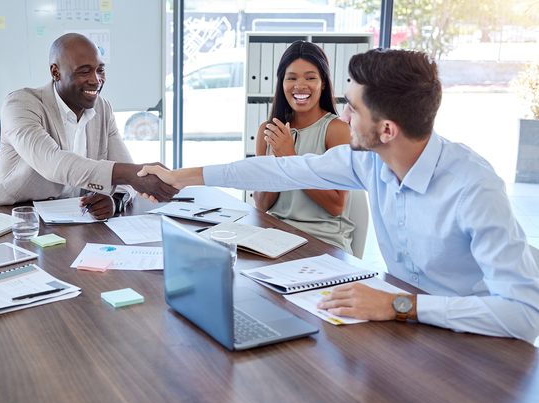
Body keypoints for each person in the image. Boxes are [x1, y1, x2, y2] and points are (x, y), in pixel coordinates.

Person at [137, 48, 539, 343]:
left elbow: (524, 314)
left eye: (353, 109)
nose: (343, 117)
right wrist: (179, 177)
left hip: (477, 341)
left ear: (387, 130)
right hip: (407, 331)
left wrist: (400, 306)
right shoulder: (372, 160)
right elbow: (280, 169)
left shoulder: (473, 187)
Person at [0, 33, 177, 219]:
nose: (96, 80)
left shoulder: (103, 108)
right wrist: (132, 174)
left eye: (100, 70)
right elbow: (52, 163)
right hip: (15, 216)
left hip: (77, 218)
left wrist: (116, 199)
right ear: (56, 72)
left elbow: (124, 168)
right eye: (84, 71)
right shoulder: (21, 104)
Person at [254, 40, 353, 253]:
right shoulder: (268, 130)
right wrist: (276, 159)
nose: (300, 86)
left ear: (323, 83)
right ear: (282, 83)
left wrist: (291, 157)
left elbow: (336, 206)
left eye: (310, 77)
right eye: (291, 78)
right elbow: (261, 205)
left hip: (323, 241)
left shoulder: (337, 130)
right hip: (275, 237)